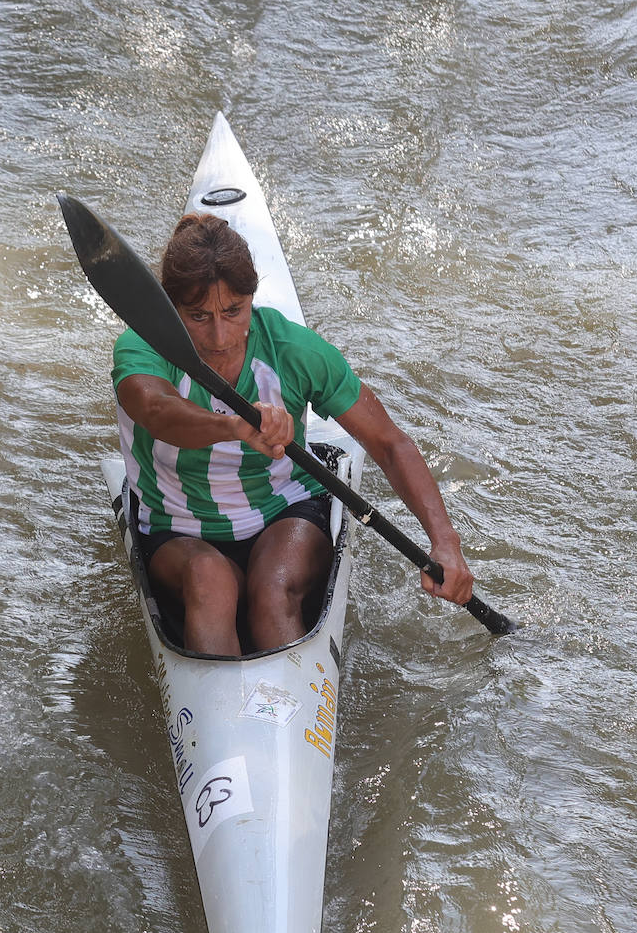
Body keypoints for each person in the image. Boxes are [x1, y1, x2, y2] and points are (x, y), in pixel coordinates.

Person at [111, 212, 474, 656]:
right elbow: (155, 410)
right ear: (169, 307)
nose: (220, 335)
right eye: (198, 316)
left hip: (285, 511)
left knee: (273, 591)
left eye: (233, 311)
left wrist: (445, 543)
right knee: (211, 585)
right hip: (178, 529)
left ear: (252, 298)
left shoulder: (294, 350)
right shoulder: (142, 346)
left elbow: (389, 443)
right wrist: (234, 427)